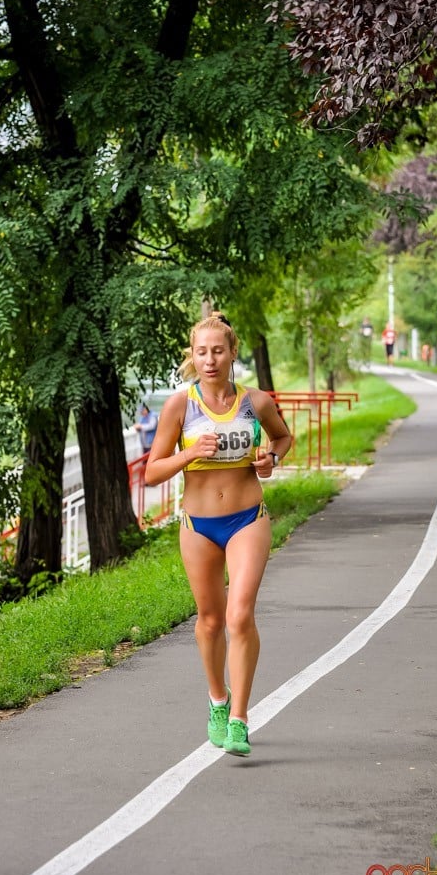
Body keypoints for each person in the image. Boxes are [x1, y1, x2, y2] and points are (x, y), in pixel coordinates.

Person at [145, 313, 292, 757]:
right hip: (198, 526)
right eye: (202, 352)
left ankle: (240, 719)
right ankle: (217, 699)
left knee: (239, 616)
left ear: (232, 353)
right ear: (193, 355)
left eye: (218, 351)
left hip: (248, 517)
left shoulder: (255, 401)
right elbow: (152, 473)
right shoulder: (179, 405)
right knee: (210, 620)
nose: (210, 360)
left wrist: (271, 460)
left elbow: (283, 438)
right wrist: (190, 453)